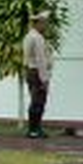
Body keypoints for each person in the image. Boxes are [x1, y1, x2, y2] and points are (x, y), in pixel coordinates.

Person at [23, 10, 53, 139]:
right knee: (38, 101)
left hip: (31, 71)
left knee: (36, 100)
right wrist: (44, 79)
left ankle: (35, 128)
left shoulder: (30, 36)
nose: (46, 26)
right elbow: (41, 60)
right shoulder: (37, 38)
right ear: (39, 23)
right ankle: (34, 129)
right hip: (37, 72)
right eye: (44, 23)